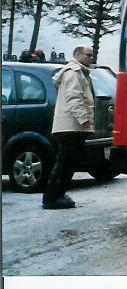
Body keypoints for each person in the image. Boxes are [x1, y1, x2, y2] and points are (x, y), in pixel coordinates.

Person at [42, 46, 96, 210]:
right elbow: (74, 98)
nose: (91, 57)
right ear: (77, 55)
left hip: (70, 125)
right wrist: (83, 120)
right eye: (88, 54)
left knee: (68, 161)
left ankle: (57, 195)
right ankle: (52, 198)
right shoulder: (74, 72)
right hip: (70, 126)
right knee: (65, 162)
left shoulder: (78, 71)